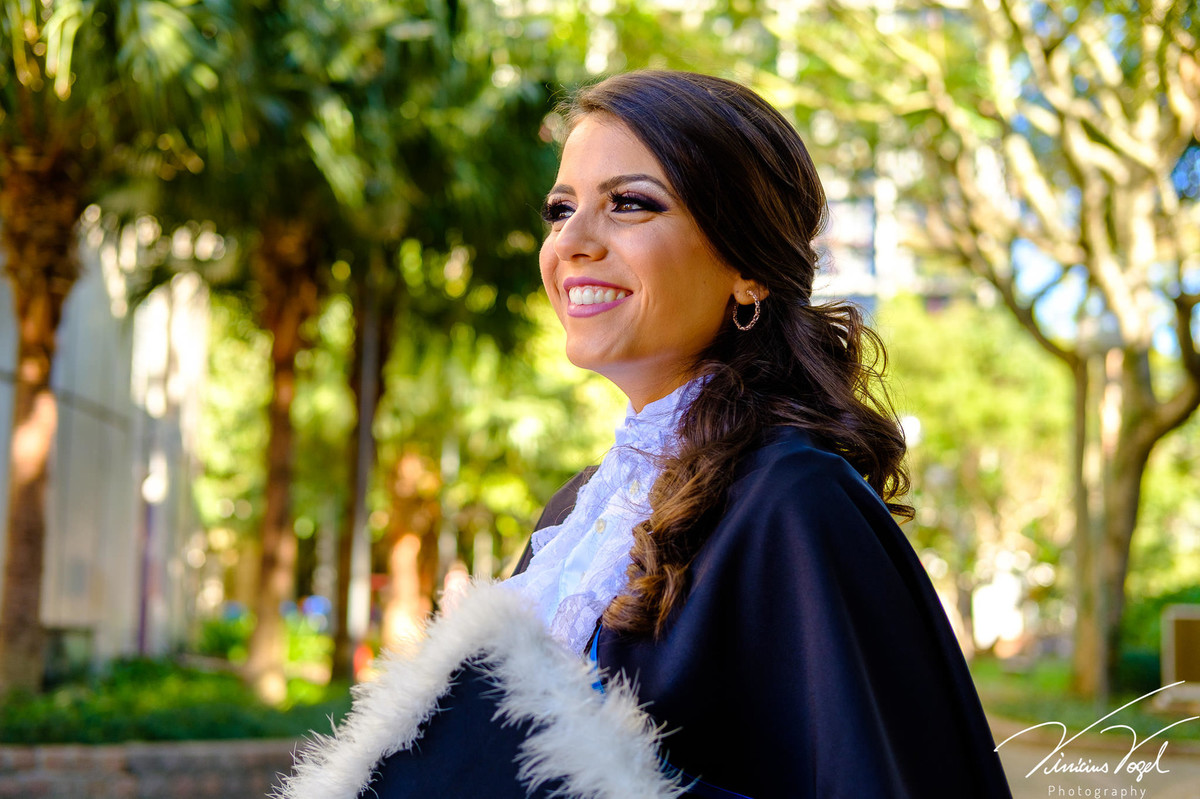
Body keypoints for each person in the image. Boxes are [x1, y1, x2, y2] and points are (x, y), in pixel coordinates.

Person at [278, 70, 1013, 799]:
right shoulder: (570, 515)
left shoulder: (796, 498)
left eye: (629, 203)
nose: (574, 241)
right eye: (560, 209)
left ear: (749, 267)